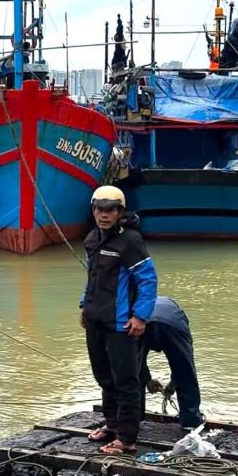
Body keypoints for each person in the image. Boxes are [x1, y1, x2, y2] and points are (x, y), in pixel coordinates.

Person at [79, 185, 157, 455]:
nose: (104, 214)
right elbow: (92, 276)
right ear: (93, 210)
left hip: (121, 324)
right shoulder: (92, 239)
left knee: (125, 381)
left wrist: (140, 316)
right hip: (96, 320)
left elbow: (147, 280)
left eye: (110, 210)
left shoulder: (130, 241)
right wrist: (83, 306)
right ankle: (111, 426)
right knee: (104, 377)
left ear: (120, 212)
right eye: (99, 209)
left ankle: (127, 438)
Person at [139, 297, 204, 430]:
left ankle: (134, 418)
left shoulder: (142, 303)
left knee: (132, 367)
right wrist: (174, 383)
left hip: (142, 322)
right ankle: (190, 422)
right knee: (185, 372)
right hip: (171, 325)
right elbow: (184, 361)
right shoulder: (177, 313)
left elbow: (136, 360)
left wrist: (146, 380)